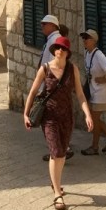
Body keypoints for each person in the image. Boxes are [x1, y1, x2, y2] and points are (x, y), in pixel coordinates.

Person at [23, 35, 92, 210]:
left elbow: (80, 95)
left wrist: (87, 115)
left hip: (67, 116)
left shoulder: (72, 69)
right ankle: (57, 195)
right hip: (49, 116)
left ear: (68, 52)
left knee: (62, 152)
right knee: (56, 152)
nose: (59, 51)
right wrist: (25, 114)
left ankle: (56, 183)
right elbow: (32, 92)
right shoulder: (45, 69)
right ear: (54, 51)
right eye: (57, 48)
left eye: (63, 49)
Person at [38, 15, 73, 161]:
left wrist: (44, 86)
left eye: (44, 24)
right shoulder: (52, 40)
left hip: (51, 88)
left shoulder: (54, 40)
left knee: (48, 119)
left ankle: (59, 150)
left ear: (52, 25)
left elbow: (53, 64)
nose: (42, 27)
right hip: (50, 86)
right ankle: (59, 149)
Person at [79, 29, 106, 154]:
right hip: (94, 91)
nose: (84, 40)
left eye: (87, 38)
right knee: (94, 118)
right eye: (84, 38)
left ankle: (95, 147)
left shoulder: (98, 55)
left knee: (94, 119)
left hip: (101, 92)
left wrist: (105, 79)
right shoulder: (87, 53)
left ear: (94, 41)